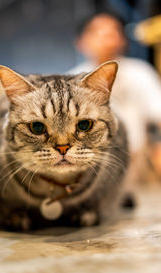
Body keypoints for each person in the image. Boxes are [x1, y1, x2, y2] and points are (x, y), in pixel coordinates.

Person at [69, 13, 161, 182]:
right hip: (89, 170)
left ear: (123, 40)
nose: (106, 36)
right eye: (97, 31)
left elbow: (158, 115)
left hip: (137, 166)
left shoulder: (140, 73)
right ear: (81, 42)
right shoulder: (70, 81)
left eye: (113, 31)